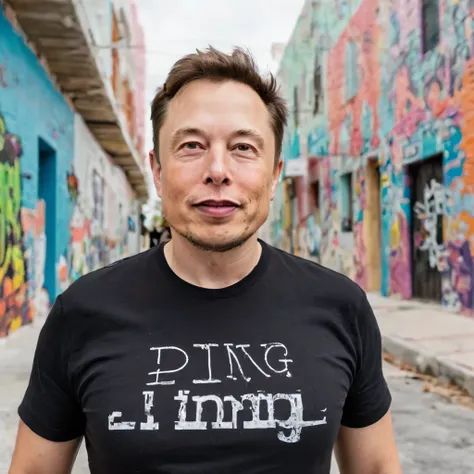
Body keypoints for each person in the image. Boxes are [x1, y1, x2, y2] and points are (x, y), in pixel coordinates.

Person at [9, 46, 402, 474]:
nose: (218, 170)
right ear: (157, 172)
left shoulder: (340, 306)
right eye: (192, 145)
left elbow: (377, 466)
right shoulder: (81, 312)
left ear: (274, 175)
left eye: (244, 147)